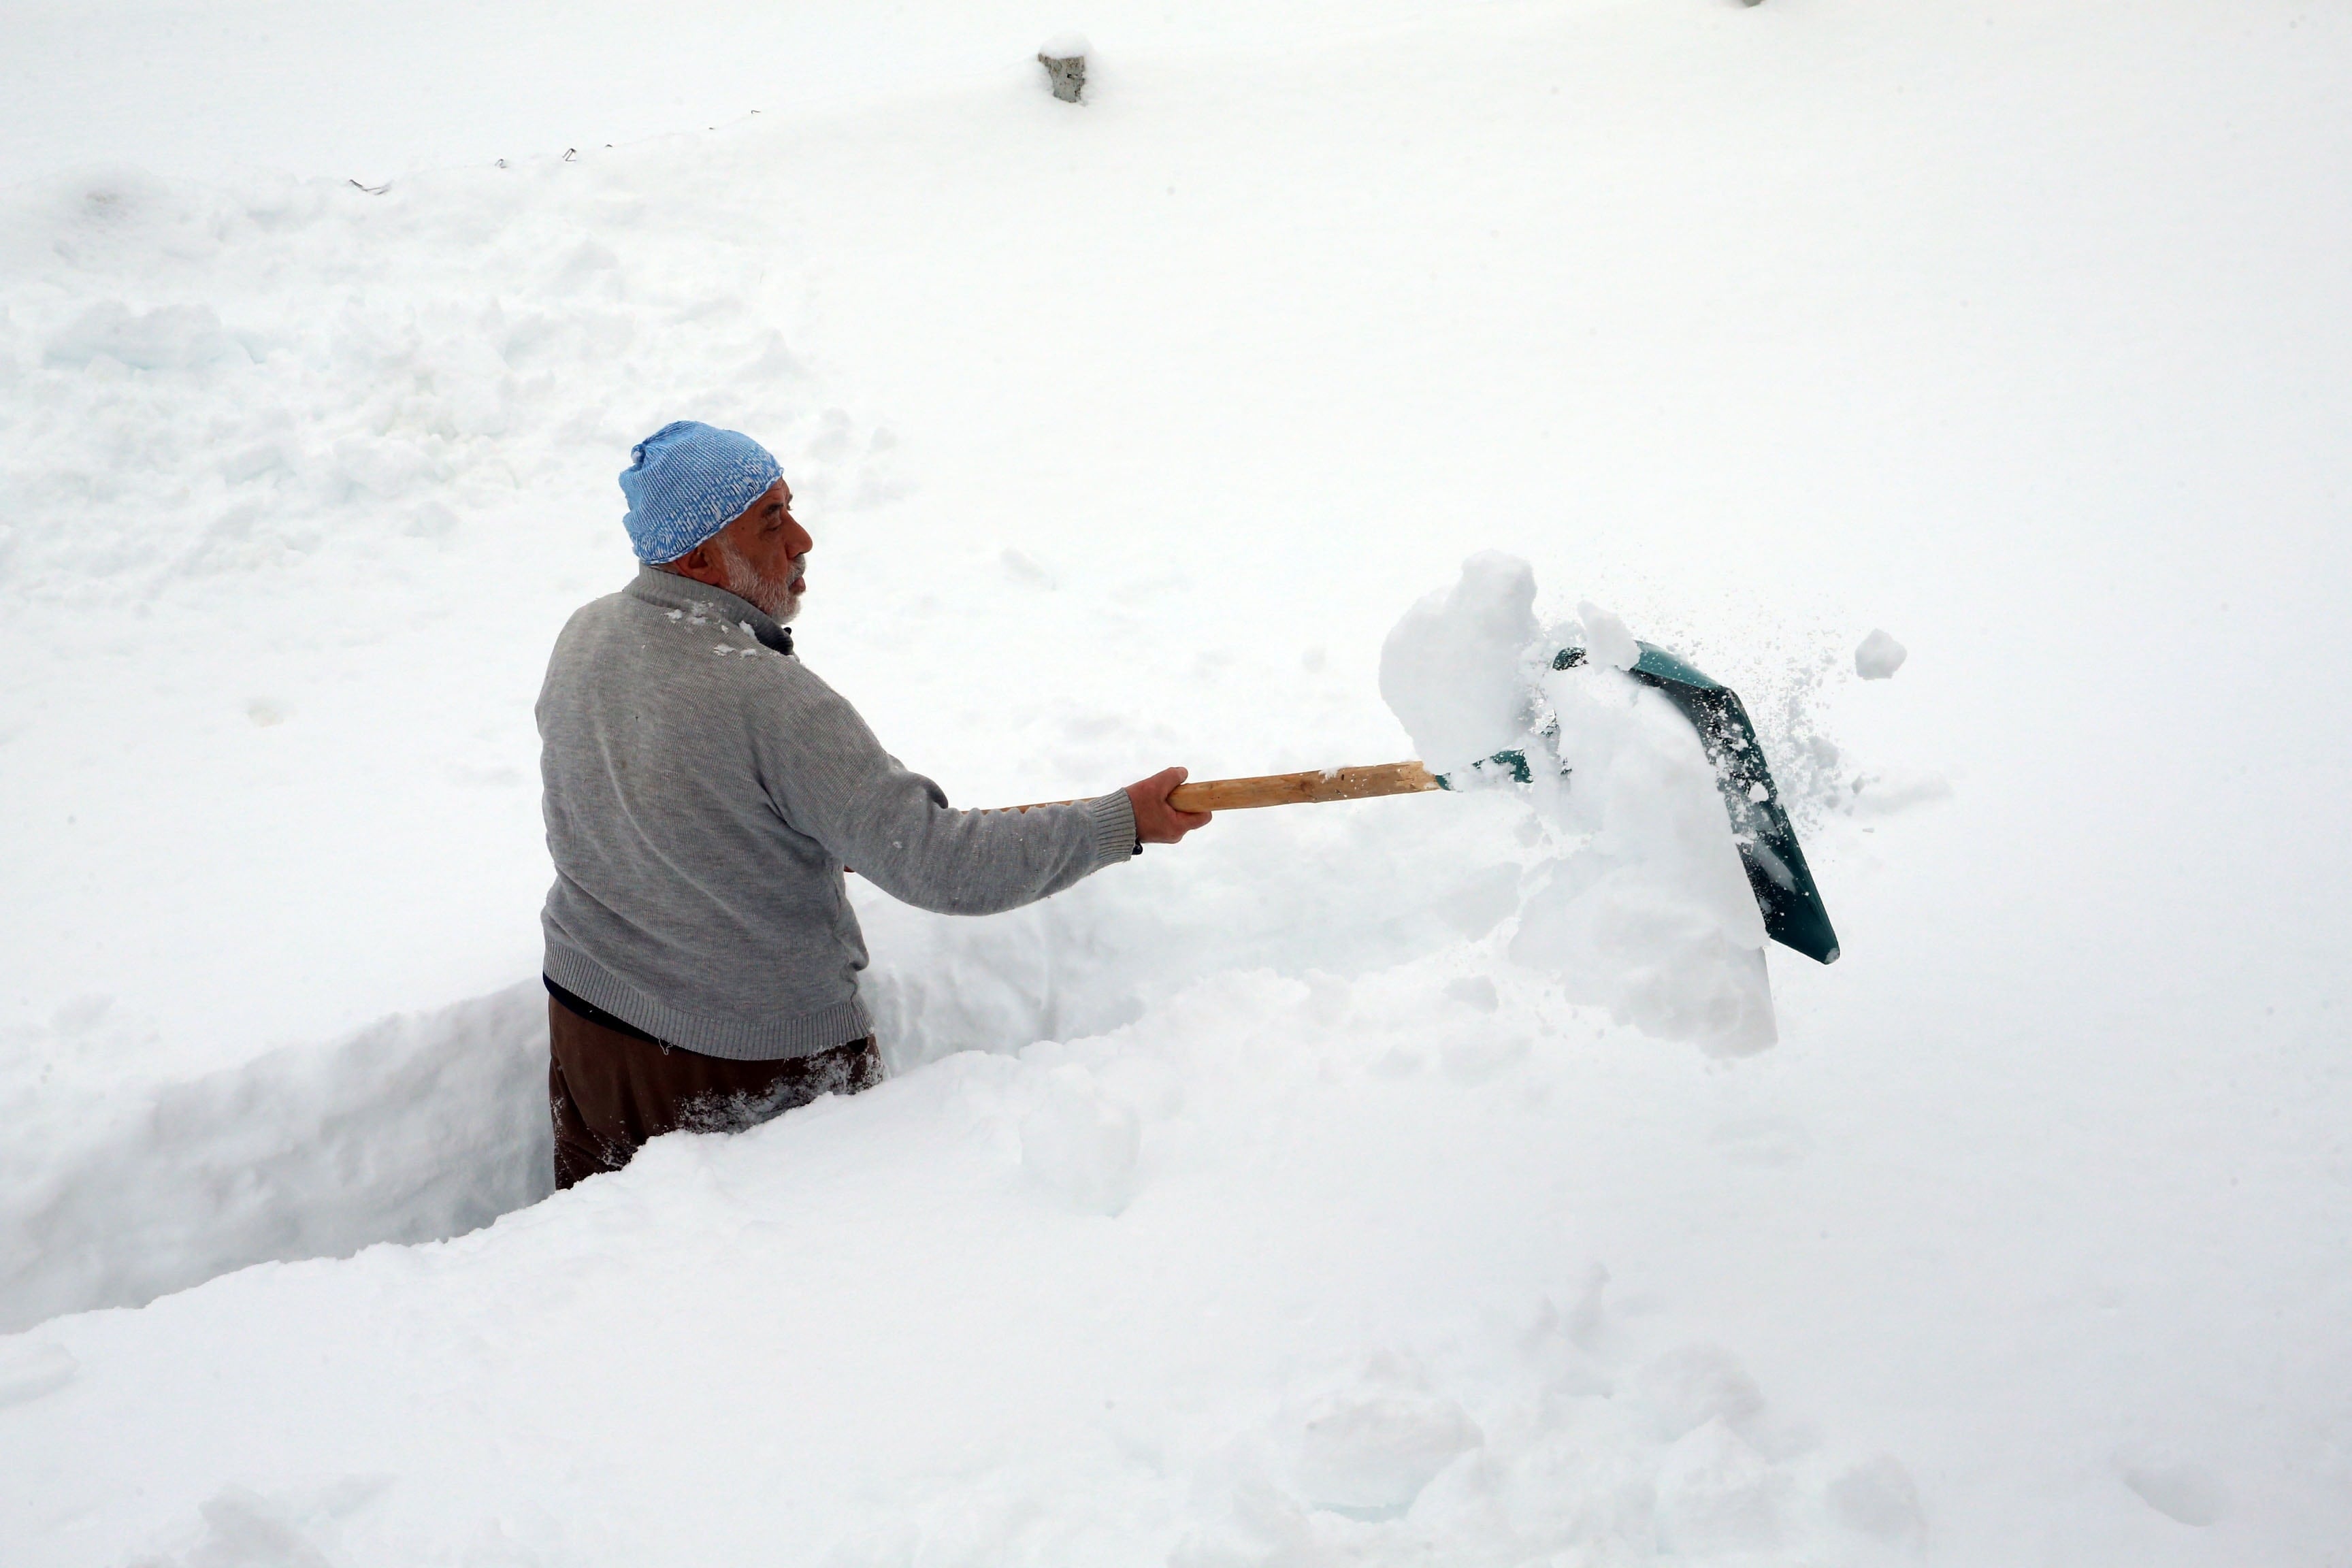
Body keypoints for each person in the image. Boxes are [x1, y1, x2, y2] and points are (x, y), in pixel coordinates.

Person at [535, 420, 1209, 1188]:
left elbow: (632, 793)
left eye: (790, 507)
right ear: (699, 558)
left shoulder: (585, 636)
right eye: (771, 522)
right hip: (742, 1062)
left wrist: (786, 826)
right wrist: (1123, 821)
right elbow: (938, 864)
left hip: (586, 1022)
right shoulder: (769, 698)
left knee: (604, 1278)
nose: (803, 539)